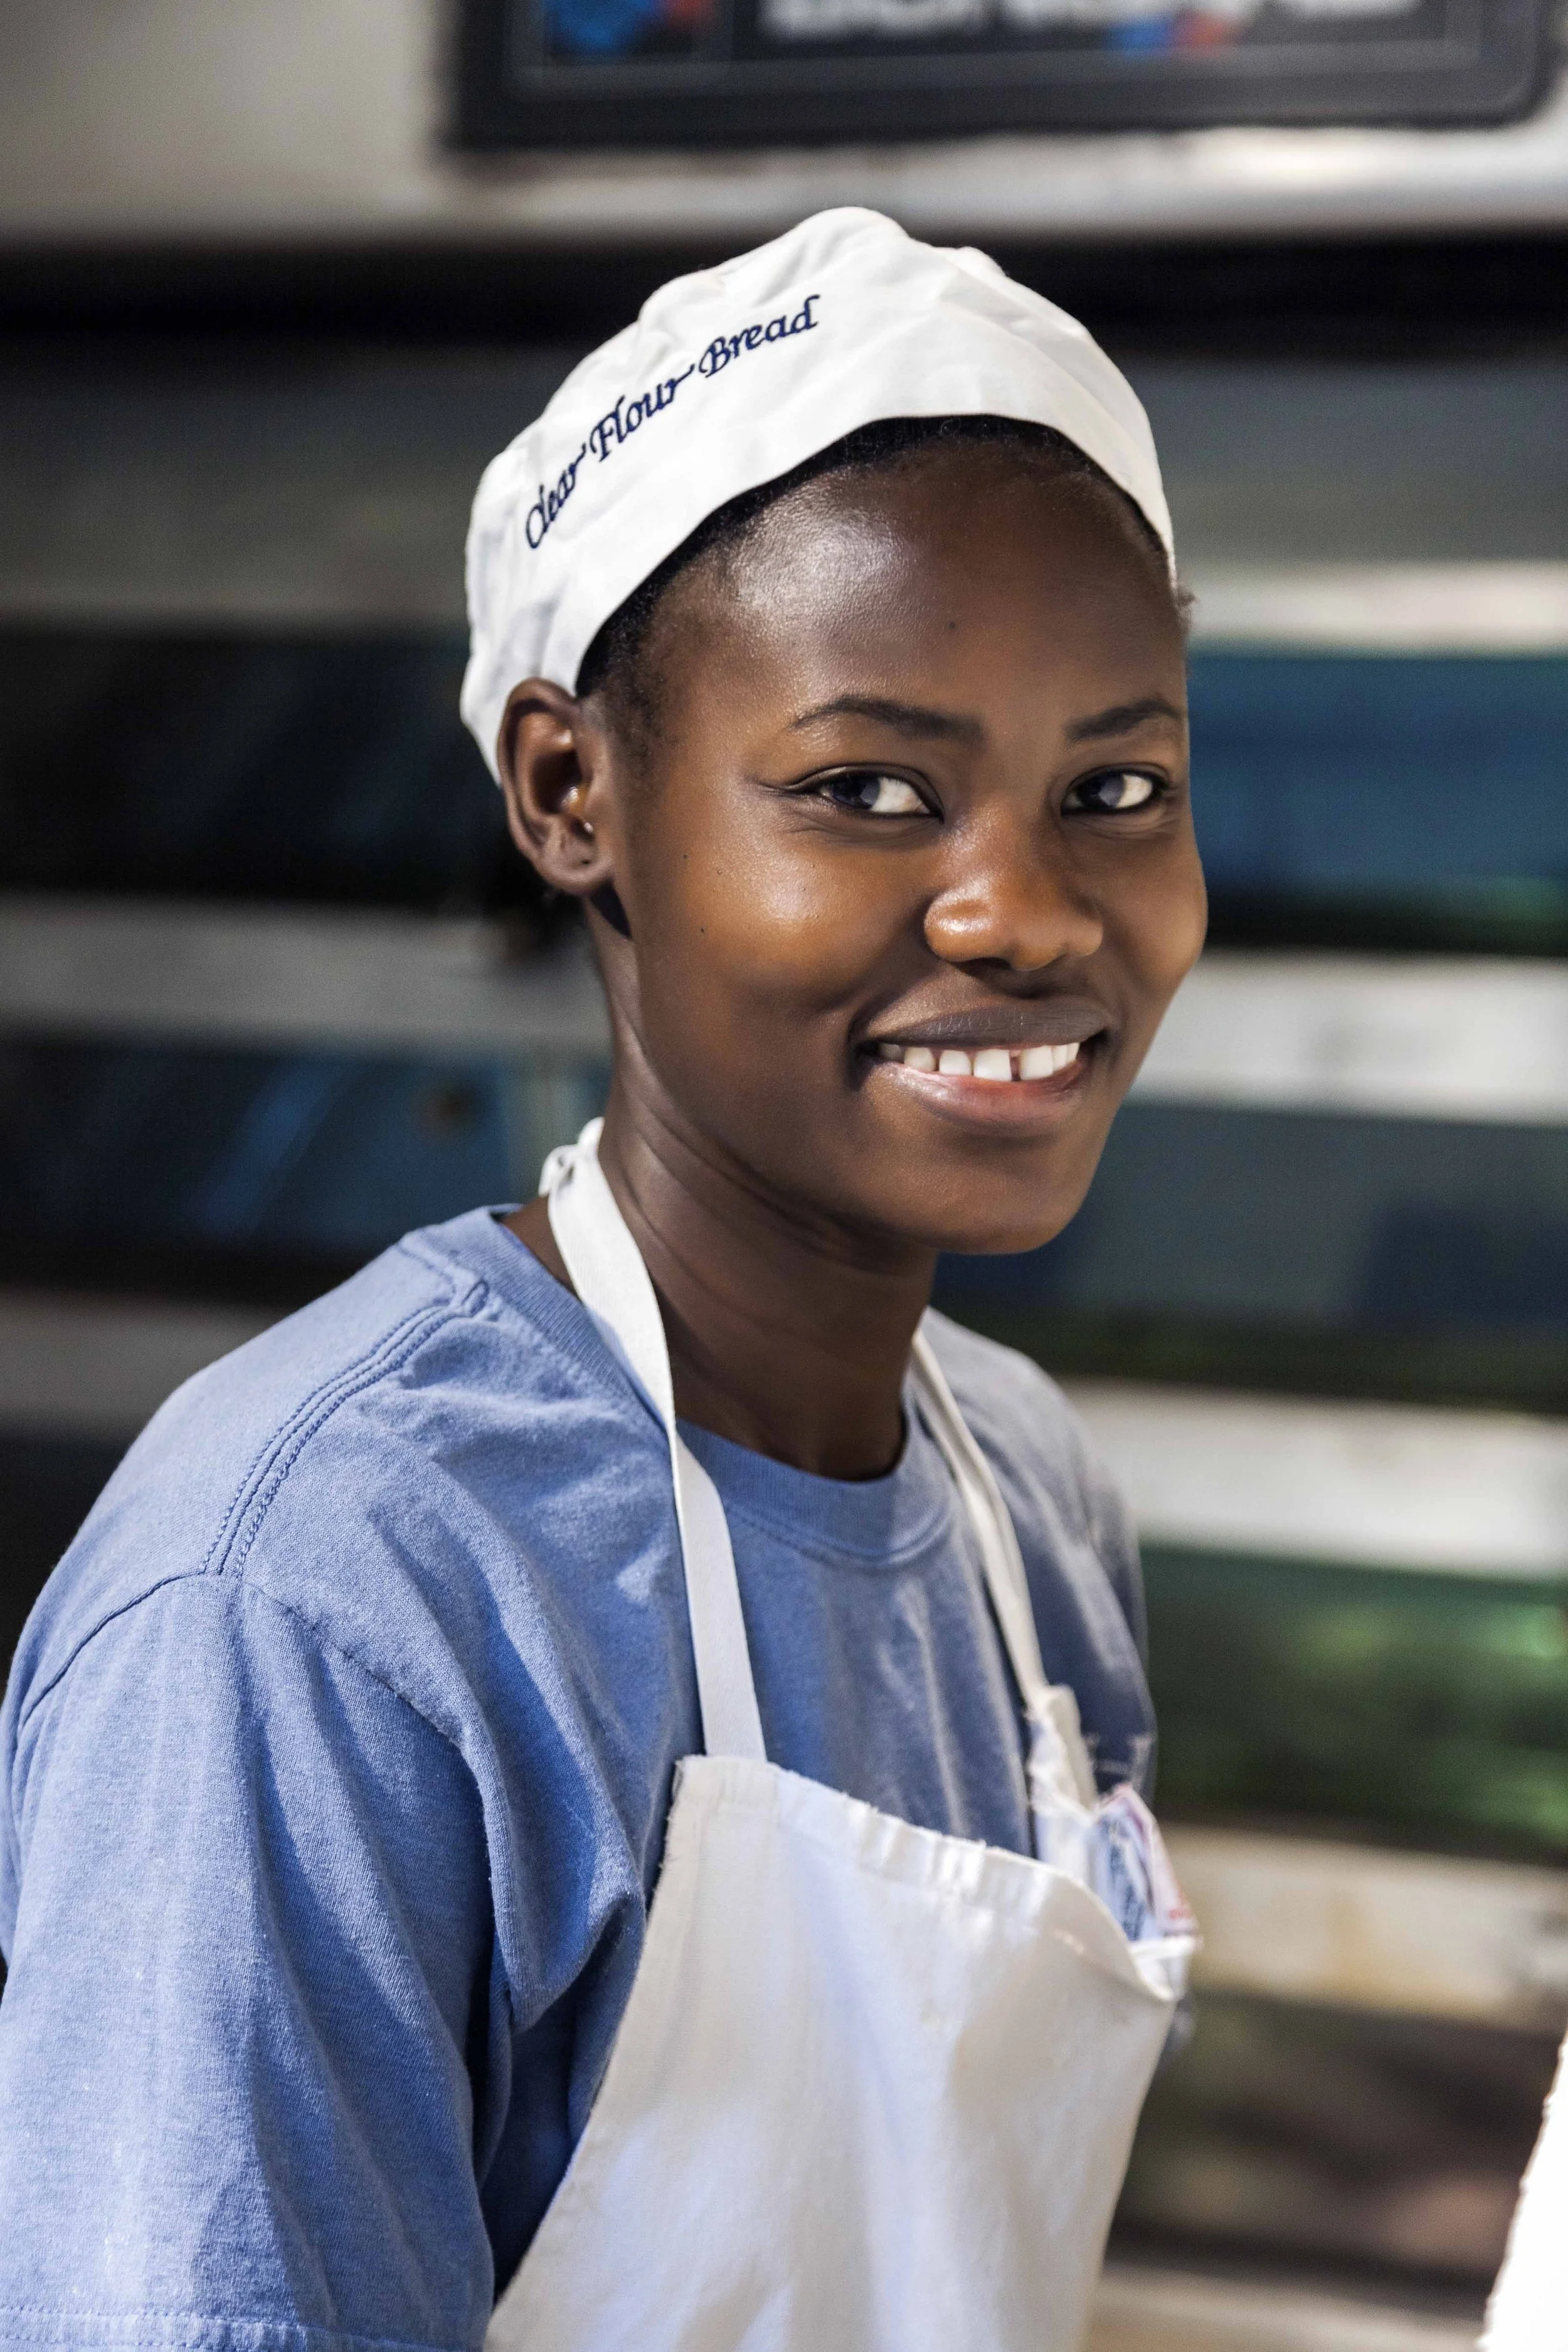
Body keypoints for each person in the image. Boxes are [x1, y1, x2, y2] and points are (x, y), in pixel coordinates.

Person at [0, 208, 1207, 2352]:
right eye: (867, 789)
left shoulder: (1025, 1505)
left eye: (1111, 787)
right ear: (574, 793)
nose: (1024, 912)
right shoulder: (322, 1600)